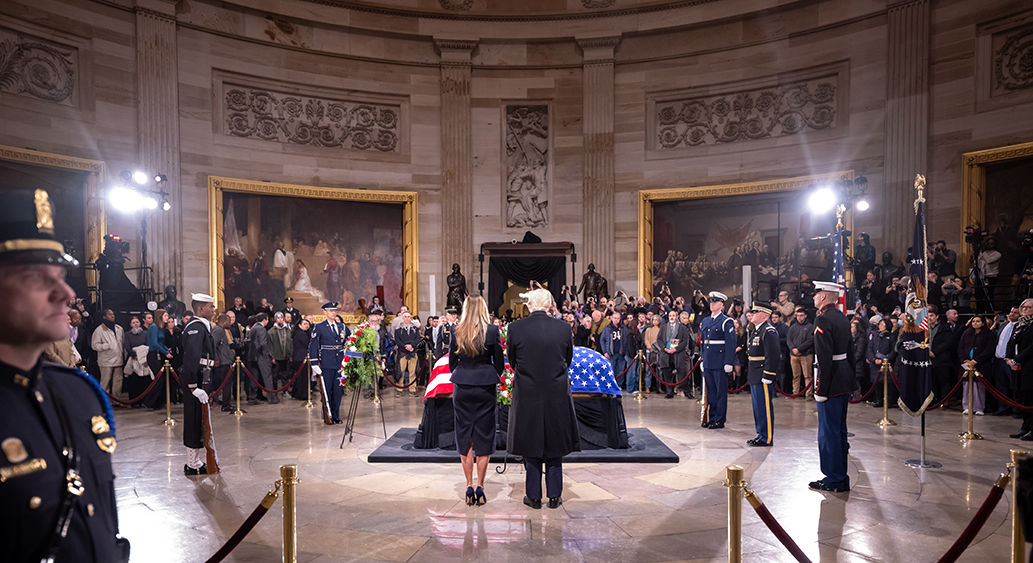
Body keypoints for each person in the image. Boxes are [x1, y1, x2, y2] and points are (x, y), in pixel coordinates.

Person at [0, 188, 128, 560]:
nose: (66, 293)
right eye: (38, 277)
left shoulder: (79, 394)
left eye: (61, 275)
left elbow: (102, 519)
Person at [507, 289, 580, 509]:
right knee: (555, 444)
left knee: (531, 443)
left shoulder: (515, 328)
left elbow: (512, 360)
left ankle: (534, 496)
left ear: (529, 305)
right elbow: (568, 358)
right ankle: (555, 496)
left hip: (527, 393)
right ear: (550, 306)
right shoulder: (563, 328)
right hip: (556, 392)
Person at [448, 296, 505, 506]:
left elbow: (451, 362)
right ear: (483, 309)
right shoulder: (492, 331)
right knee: (484, 433)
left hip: (462, 387)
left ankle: (468, 485)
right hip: (485, 388)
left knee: (465, 435)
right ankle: (480, 485)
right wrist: (488, 374)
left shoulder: (456, 330)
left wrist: (464, 372)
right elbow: (499, 363)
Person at [809, 281, 858, 493]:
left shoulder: (823, 318)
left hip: (831, 380)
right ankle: (840, 477)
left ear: (823, 297)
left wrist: (821, 389)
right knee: (840, 432)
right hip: (844, 377)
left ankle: (834, 478)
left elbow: (825, 358)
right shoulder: (842, 317)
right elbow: (850, 351)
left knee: (828, 433)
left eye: (816, 293)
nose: (813, 297)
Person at [180, 294, 216, 475]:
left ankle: (195, 460)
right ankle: (192, 464)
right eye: (211, 307)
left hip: (201, 378)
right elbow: (192, 357)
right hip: (196, 380)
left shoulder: (201, 327)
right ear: (201, 309)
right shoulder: (196, 328)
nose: (214, 310)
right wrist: (194, 386)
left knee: (199, 420)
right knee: (194, 420)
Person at [699, 291, 735, 425]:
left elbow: (731, 344)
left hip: (720, 362)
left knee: (720, 392)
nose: (712, 304)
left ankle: (719, 420)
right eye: (711, 302)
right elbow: (703, 342)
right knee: (711, 392)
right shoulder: (706, 320)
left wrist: (728, 362)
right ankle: (712, 418)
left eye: (715, 302)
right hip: (708, 360)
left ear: (721, 305)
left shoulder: (726, 321)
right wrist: (703, 359)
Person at [746, 305, 779, 447]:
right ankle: (760, 434)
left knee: (764, 407)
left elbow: (773, 355)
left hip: (762, 374)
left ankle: (766, 437)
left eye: (755, 312)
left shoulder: (768, 331)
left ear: (764, 315)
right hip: (754, 373)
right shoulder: (757, 330)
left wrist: (768, 374)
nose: (752, 314)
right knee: (757, 407)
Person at [309, 302, 348, 423]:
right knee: (327, 390)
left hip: (340, 363)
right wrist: (314, 363)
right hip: (326, 363)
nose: (333, 312)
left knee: (338, 391)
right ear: (325, 312)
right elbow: (313, 345)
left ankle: (336, 415)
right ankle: (327, 414)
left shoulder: (341, 327)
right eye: (330, 311)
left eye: (334, 310)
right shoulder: (319, 327)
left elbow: (349, 342)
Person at [958, 314, 995, 416]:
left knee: (978, 386)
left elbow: (989, 349)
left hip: (980, 364)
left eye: (978, 321)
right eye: (973, 321)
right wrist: (964, 359)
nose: (975, 323)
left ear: (983, 323)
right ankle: (966, 407)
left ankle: (979, 407)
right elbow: (960, 347)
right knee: (966, 386)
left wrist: (976, 360)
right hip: (967, 363)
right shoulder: (966, 333)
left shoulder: (989, 334)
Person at [1007, 299, 1033, 440]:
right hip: (1017, 366)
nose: (1025, 309)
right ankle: (1025, 427)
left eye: (1029, 307)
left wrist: (1018, 359)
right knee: (1023, 399)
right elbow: (1011, 343)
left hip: (1029, 366)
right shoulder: (1019, 325)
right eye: (1023, 307)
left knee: (1031, 399)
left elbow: (1031, 348)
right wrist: (1009, 359)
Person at [656, 309, 691, 400]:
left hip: (678, 353)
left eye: (673, 315)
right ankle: (669, 392)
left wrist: (676, 349)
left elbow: (684, 341)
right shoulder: (663, 327)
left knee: (682, 373)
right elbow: (659, 339)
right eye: (670, 316)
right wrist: (664, 348)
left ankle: (686, 392)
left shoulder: (682, 328)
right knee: (667, 373)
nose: (672, 317)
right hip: (666, 353)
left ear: (677, 317)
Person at [91, 308, 125, 400]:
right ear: (104, 317)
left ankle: (117, 401)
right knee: (105, 382)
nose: (112, 316)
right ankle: (104, 401)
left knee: (118, 382)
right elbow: (94, 345)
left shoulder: (119, 329)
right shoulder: (99, 330)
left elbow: (123, 343)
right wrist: (107, 346)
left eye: (113, 314)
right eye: (110, 314)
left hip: (118, 359)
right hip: (106, 361)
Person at [993, 306, 1021, 416]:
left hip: (1012, 361)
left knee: (1014, 386)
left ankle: (1017, 410)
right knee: (1001, 386)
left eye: (1016, 313)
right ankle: (1003, 408)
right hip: (998, 360)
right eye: (1011, 312)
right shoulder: (1003, 325)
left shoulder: (1020, 327)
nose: (1012, 314)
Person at [122, 316, 150, 406]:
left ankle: (144, 401)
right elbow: (127, 347)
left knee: (144, 381)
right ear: (131, 324)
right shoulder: (128, 335)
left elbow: (147, 345)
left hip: (143, 359)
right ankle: (134, 402)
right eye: (133, 322)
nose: (136, 324)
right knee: (134, 382)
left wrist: (142, 356)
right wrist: (134, 355)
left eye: (137, 322)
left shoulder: (145, 334)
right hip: (133, 359)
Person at [787, 307, 815, 400]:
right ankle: (795, 393)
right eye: (798, 316)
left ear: (805, 316)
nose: (799, 317)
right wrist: (793, 349)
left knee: (807, 376)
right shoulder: (793, 327)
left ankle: (808, 395)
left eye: (801, 315)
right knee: (795, 376)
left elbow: (810, 341)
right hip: (793, 355)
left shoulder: (810, 326)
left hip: (806, 355)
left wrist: (799, 349)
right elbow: (789, 340)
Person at [247, 313, 274, 404]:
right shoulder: (261, 329)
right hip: (261, 356)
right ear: (265, 319)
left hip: (252, 356)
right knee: (267, 377)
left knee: (254, 378)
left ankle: (252, 398)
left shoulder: (253, 328)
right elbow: (263, 343)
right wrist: (266, 355)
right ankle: (271, 398)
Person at [211, 313, 234, 412]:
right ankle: (226, 404)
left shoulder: (221, 330)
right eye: (229, 321)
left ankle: (224, 402)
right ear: (224, 322)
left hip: (224, 360)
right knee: (226, 383)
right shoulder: (218, 330)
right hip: (222, 362)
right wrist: (216, 358)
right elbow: (213, 345)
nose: (230, 323)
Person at [394, 311, 420, 397]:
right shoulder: (398, 329)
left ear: (410, 318)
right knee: (400, 371)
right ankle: (399, 389)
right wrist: (406, 346)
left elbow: (417, 339)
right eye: (405, 317)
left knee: (412, 372)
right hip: (402, 352)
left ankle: (412, 389)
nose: (407, 318)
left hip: (413, 351)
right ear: (402, 318)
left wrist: (412, 346)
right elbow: (397, 340)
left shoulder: (415, 329)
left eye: (408, 317)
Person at [600, 312, 628, 390]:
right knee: (611, 371)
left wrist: (626, 352)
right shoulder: (607, 328)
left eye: (618, 318)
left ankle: (619, 385)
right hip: (611, 353)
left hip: (621, 353)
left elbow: (627, 340)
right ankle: (611, 385)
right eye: (614, 318)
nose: (616, 320)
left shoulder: (624, 328)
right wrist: (605, 352)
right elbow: (602, 340)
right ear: (611, 318)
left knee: (620, 371)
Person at [269, 312, 293, 399]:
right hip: (276, 357)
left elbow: (290, 343)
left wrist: (290, 354)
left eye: (281, 318)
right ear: (276, 319)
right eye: (278, 318)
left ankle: (285, 391)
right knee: (275, 376)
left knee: (285, 375)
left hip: (286, 356)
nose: (280, 320)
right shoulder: (271, 332)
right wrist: (272, 357)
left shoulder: (288, 330)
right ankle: (274, 392)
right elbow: (270, 345)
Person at [290, 318, 312, 400]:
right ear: (299, 325)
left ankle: (297, 393)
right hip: (302, 358)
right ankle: (303, 395)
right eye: (305, 324)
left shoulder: (298, 333)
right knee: (303, 378)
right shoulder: (302, 334)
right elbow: (308, 345)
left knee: (299, 377)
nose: (307, 326)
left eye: (308, 324)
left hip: (298, 358)